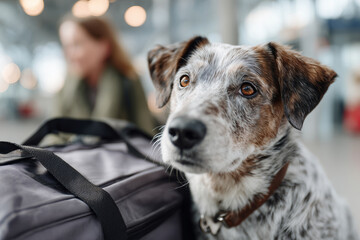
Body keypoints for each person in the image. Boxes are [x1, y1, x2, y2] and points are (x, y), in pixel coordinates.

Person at [56, 16, 154, 134]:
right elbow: (54, 134)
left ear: (104, 47)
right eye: (66, 46)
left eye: (77, 44)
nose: (69, 54)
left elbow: (146, 134)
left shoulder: (128, 81)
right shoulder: (66, 88)